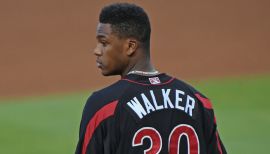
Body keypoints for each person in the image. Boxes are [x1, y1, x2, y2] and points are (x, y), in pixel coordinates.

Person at [75, 3, 227, 154]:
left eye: (104, 42)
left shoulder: (103, 106)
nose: (96, 51)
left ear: (130, 46)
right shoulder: (198, 101)